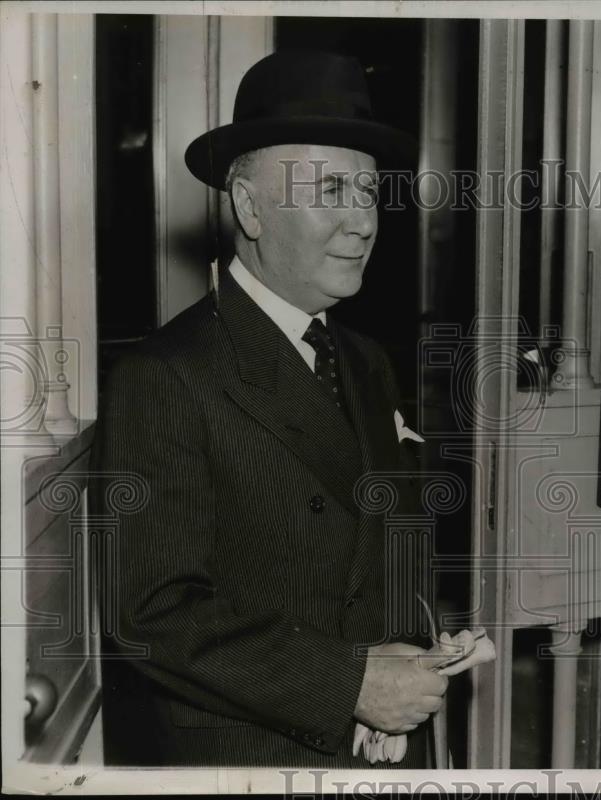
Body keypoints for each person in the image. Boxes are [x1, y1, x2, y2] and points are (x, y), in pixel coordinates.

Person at [92, 50, 446, 768]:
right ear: (250, 208)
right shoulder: (164, 376)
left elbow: (378, 551)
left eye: (370, 192)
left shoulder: (365, 359)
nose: (362, 222)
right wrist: (353, 684)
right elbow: (150, 614)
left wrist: (411, 658)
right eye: (332, 189)